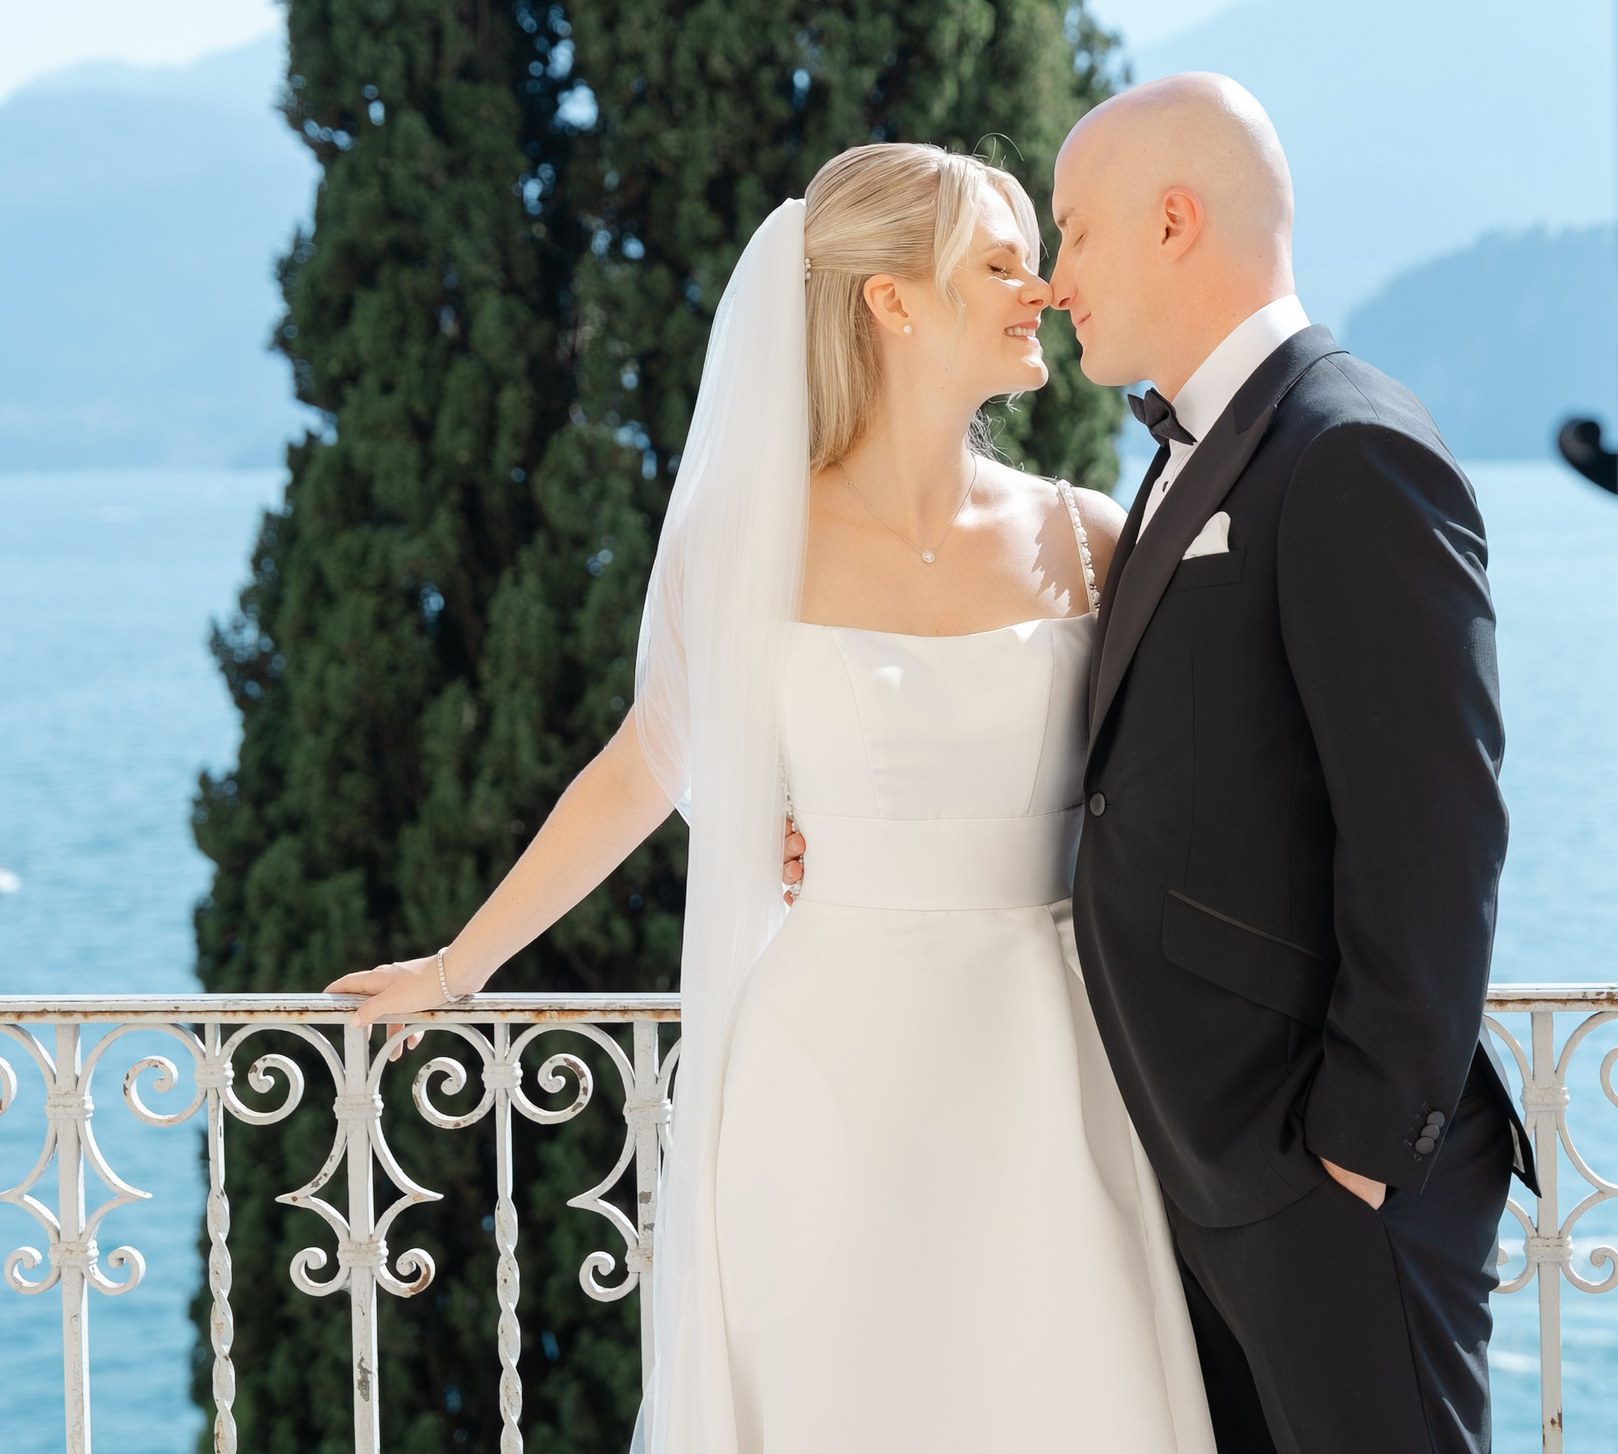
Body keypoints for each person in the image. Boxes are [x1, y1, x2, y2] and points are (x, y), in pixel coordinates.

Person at [329, 143, 1216, 1454]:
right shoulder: (750, 540)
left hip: (1054, 1055)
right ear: (892, 301)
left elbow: (1187, 782)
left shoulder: (1090, 536)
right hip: (827, 1064)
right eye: (1000, 262)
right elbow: (647, 764)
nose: (1039, 291)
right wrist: (458, 967)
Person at [1050, 72, 1535, 1454]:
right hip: (1216, 1177)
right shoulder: (1196, 452)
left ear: (1174, 221)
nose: (1056, 274)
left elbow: (1435, 834)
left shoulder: (1350, 446)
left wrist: (1356, 1157)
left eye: (1075, 229)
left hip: (1323, 1186)